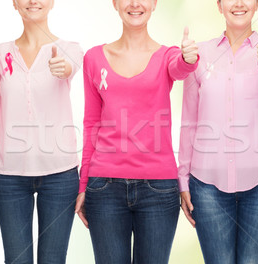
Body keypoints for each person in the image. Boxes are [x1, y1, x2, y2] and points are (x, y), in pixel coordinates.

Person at [73, 0, 199, 263]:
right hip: (104, 188)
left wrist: (189, 58)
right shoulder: (94, 58)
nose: (135, 4)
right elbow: (91, 124)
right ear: (115, 4)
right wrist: (84, 183)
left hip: (158, 190)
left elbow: (181, 67)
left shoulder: (168, 56)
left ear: (154, 4)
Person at [178, 0, 258, 263]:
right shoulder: (199, 54)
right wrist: (183, 179)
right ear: (219, 5)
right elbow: (189, 121)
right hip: (207, 186)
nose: (239, 3)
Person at [0, 0, 83, 263]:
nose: (33, 1)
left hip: (60, 175)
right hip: (9, 175)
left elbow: (70, 67)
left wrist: (63, 69)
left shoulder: (69, 50)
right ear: (15, 3)